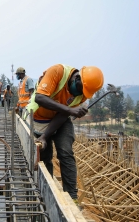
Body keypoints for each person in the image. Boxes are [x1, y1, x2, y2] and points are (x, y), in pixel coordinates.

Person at [24, 64, 103, 202]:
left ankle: (72, 198)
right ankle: (45, 193)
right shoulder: (58, 72)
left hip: (60, 119)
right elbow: (40, 98)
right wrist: (70, 111)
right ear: (76, 78)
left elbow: (62, 115)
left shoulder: (82, 93)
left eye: (84, 93)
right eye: (80, 89)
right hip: (39, 118)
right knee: (44, 156)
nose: (80, 94)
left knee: (65, 151)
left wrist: (45, 136)